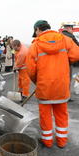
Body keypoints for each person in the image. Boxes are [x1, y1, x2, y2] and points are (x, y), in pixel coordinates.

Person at [26, 20, 79, 148]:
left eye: (36, 32)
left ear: (38, 29)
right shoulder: (65, 40)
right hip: (61, 86)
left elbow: (31, 70)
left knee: (45, 116)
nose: (36, 34)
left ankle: (47, 141)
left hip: (44, 87)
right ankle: (62, 141)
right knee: (61, 114)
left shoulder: (35, 45)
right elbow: (76, 55)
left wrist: (37, 82)